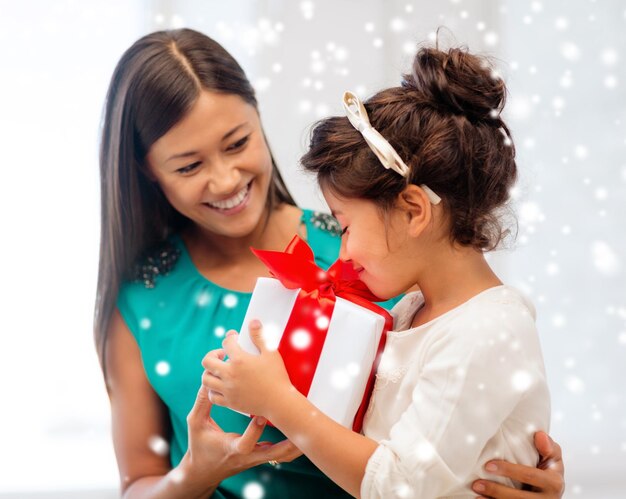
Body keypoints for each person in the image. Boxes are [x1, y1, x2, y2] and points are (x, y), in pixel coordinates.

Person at [95, 28, 564, 498]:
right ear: (147, 171)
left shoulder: (382, 261)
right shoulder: (143, 299)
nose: (224, 180)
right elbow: (137, 483)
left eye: (237, 143)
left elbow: (444, 437)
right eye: (188, 166)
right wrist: (196, 472)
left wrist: (518, 462)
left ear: (259, 117)